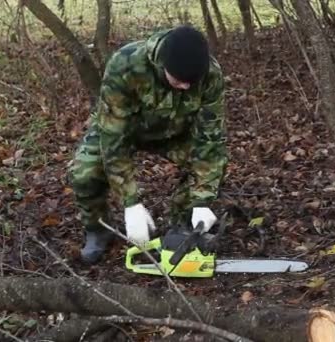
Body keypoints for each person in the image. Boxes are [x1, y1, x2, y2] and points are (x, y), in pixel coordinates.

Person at [69, 25, 228, 264]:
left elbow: (211, 139)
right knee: (84, 172)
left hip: (176, 133)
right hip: (125, 129)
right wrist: (130, 202)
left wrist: (202, 200)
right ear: (162, 64)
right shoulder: (126, 64)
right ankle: (98, 229)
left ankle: (182, 224)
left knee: (211, 167)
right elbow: (113, 138)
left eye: (190, 83)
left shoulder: (211, 76)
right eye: (179, 80)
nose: (185, 87)